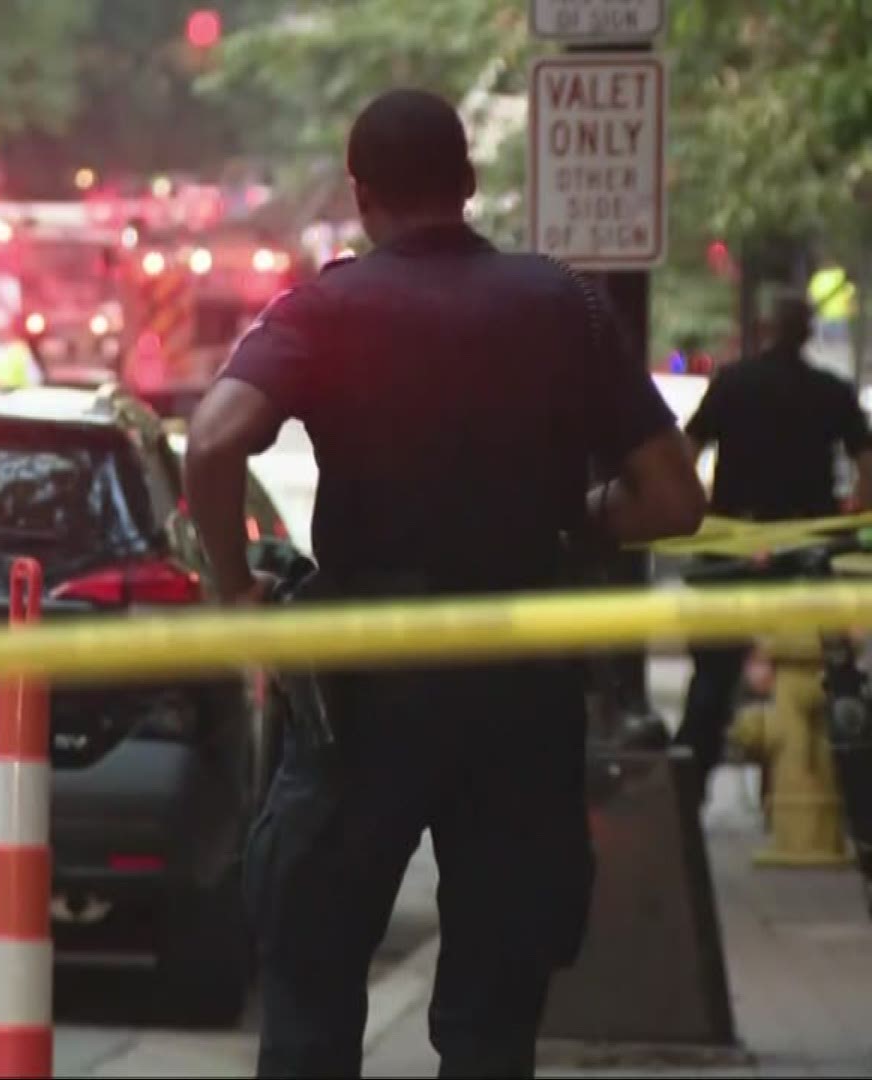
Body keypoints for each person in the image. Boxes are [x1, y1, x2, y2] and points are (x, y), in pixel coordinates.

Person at [183, 89, 705, 1077]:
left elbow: (211, 441)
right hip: (519, 671)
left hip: (365, 679)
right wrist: (580, 526)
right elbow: (675, 500)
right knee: (494, 1016)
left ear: (361, 193)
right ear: (467, 186)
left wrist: (235, 590)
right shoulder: (562, 302)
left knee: (311, 982)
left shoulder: (329, 307)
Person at [676, 292, 872, 804]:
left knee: (713, 678)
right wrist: (849, 515)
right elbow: (869, 467)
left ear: (765, 328)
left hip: (736, 544)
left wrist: (701, 514)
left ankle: (687, 792)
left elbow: (685, 453)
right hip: (809, 549)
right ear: (807, 333)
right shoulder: (830, 391)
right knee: (836, 672)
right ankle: (852, 789)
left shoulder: (733, 385)